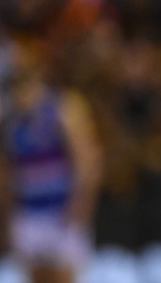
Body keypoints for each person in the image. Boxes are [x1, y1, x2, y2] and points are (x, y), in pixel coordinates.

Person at [0, 44, 103, 283]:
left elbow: (87, 162)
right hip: (29, 213)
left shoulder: (64, 109)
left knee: (64, 276)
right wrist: (8, 217)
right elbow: (7, 172)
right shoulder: (10, 118)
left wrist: (80, 207)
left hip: (62, 213)